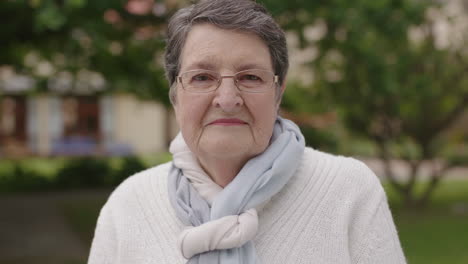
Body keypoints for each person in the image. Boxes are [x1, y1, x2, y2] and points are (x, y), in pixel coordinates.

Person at [88, 0, 407, 263]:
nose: (227, 100)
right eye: (202, 77)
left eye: (250, 77)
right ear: (175, 95)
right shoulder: (128, 206)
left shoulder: (349, 191)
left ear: (278, 93)